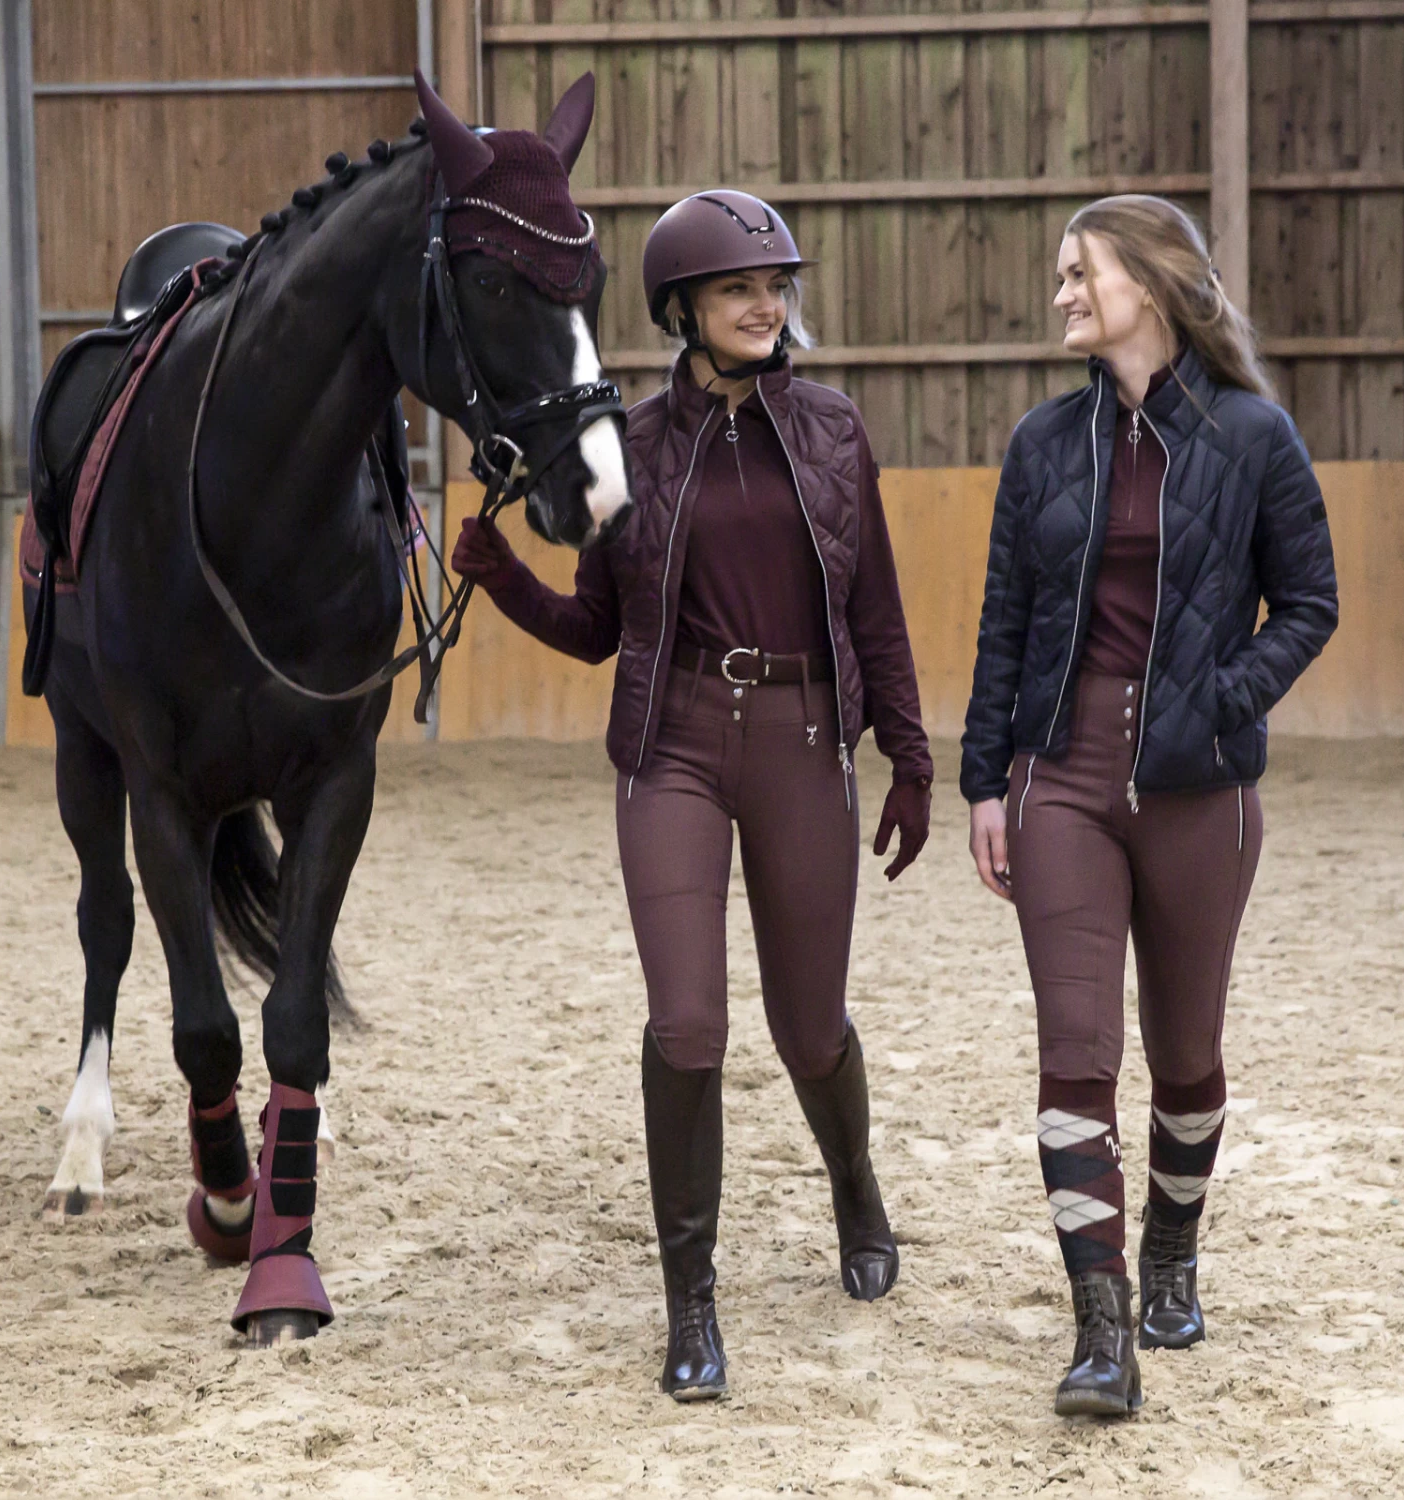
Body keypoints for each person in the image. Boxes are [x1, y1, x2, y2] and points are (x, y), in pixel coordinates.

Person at [451, 190, 934, 1400]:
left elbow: (876, 609)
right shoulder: (625, 448)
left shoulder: (832, 430)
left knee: (809, 1029)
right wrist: (501, 578)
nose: (766, 307)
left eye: (775, 288)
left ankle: (854, 1186)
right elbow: (597, 628)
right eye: (738, 290)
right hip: (671, 745)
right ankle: (692, 1304)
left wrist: (914, 758)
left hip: (804, 740)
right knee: (687, 1025)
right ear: (683, 308)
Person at [961, 194, 1338, 1417]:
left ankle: (1172, 1253)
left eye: (1083, 272)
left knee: (1186, 1059)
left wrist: (1224, 698)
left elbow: (1312, 603)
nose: (1064, 293)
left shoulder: (1254, 436)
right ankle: (1101, 1329)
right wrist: (986, 781)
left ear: (1155, 284)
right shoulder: (1042, 443)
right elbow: (1005, 624)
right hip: (1061, 778)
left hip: (1199, 787)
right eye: (1061, 274)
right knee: (1075, 1055)